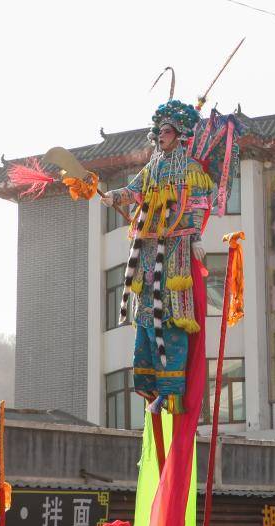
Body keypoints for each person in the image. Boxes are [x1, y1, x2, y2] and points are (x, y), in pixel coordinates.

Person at [100, 98, 212, 415]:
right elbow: (134, 191)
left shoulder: (189, 170)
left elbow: (195, 207)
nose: (159, 136)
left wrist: (195, 239)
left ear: (178, 134)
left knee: (171, 316)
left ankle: (170, 390)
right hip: (147, 246)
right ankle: (150, 384)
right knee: (146, 314)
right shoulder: (151, 168)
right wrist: (113, 196)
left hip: (175, 248)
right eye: (158, 131)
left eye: (165, 131)